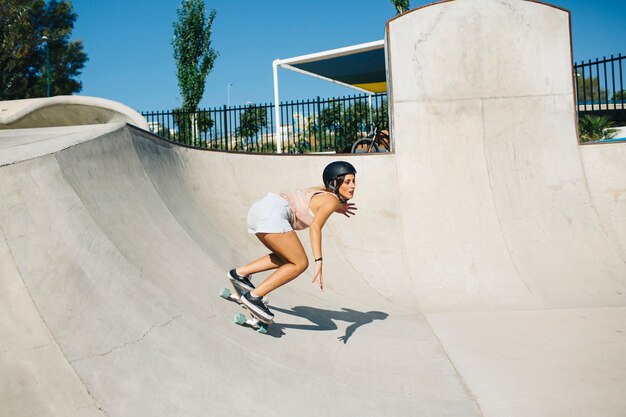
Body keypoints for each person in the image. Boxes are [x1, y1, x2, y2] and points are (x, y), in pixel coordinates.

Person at [228, 161, 358, 323]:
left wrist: (340, 207)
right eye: (347, 181)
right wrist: (319, 261)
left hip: (259, 211)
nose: (353, 185)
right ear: (334, 183)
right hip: (274, 213)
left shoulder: (325, 197)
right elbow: (315, 227)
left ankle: (240, 273)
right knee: (301, 263)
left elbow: (325, 204)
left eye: (354, 181)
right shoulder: (330, 200)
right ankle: (254, 297)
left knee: (287, 258)